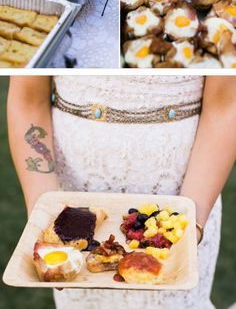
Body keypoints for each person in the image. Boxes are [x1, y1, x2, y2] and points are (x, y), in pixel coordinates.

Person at [7, 75, 236, 309]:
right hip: (70, 201)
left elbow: (225, 102)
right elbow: (28, 99)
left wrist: (191, 223)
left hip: (190, 195)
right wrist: (44, 218)